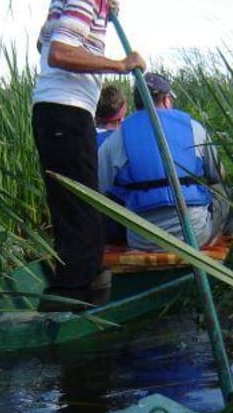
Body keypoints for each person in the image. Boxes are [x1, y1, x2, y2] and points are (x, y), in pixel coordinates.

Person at [31, 0, 145, 299]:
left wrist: (100, 18)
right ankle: (73, 294)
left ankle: (84, 283)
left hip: (53, 110)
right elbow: (58, 53)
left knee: (72, 205)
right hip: (66, 109)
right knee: (82, 207)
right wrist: (120, 65)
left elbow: (43, 43)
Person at [98, 72, 230, 251]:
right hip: (194, 236)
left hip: (142, 240)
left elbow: (100, 187)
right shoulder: (194, 128)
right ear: (167, 100)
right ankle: (221, 245)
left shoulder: (117, 137)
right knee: (222, 191)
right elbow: (217, 175)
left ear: (137, 102)